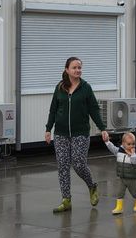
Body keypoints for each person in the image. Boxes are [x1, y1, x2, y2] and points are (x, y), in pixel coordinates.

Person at [44, 56, 109, 213]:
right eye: (74, 67)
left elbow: (94, 109)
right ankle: (66, 200)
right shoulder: (60, 87)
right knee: (63, 167)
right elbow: (53, 109)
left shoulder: (86, 88)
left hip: (80, 132)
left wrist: (102, 128)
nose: (78, 70)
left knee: (79, 163)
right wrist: (48, 129)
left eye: (79, 67)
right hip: (60, 133)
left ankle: (92, 185)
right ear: (67, 70)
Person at [105, 131, 136, 215]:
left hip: (131, 178)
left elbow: (134, 162)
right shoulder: (119, 151)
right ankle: (119, 207)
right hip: (122, 177)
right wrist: (107, 141)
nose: (131, 146)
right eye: (129, 144)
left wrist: (132, 154)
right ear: (123, 144)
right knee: (120, 193)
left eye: (133, 144)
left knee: (134, 193)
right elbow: (112, 148)